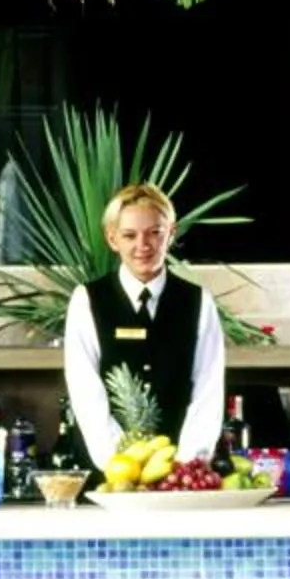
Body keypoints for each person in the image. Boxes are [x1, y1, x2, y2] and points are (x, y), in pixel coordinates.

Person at [61, 179, 224, 476]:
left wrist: (185, 466)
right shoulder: (87, 300)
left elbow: (208, 391)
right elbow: (85, 391)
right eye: (129, 235)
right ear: (112, 239)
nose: (142, 246)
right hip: (106, 473)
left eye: (154, 233)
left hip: (179, 473)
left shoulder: (199, 301)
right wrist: (120, 462)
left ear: (171, 234)